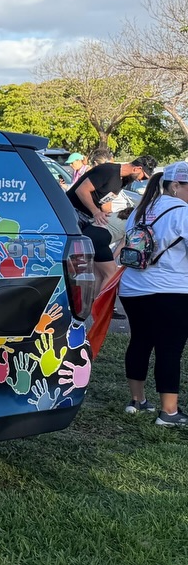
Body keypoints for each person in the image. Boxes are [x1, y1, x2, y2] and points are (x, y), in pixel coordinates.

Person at [120, 161, 188, 428]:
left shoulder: (142, 209)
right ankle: (169, 412)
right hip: (171, 290)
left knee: (140, 340)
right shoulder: (182, 212)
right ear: (176, 185)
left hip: (133, 288)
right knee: (169, 348)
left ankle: (137, 401)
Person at [69, 155, 155, 284]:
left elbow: (106, 201)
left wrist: (109, 216)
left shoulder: (122, 181)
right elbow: (82, 190)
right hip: (73, 212)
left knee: (96, 272)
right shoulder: (108, 171)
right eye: (143, 177)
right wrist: (96, 212)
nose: (140, 181)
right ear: (137, 169)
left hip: (89, 222)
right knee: (93, 269)